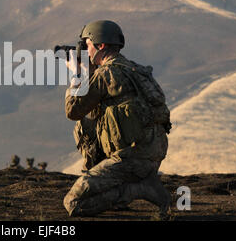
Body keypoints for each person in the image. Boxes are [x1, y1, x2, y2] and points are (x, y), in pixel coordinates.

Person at [63, 20, 172, 219]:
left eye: (87, 45)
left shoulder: (106, 74)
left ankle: (139, 189)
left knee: (74, 203)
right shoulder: (135, 70)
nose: (85, 50)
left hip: (130, 159)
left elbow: (73, 111)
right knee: (87, 124)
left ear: (100, 45)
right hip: (152, 153)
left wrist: (77, 74)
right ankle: (139, 182)